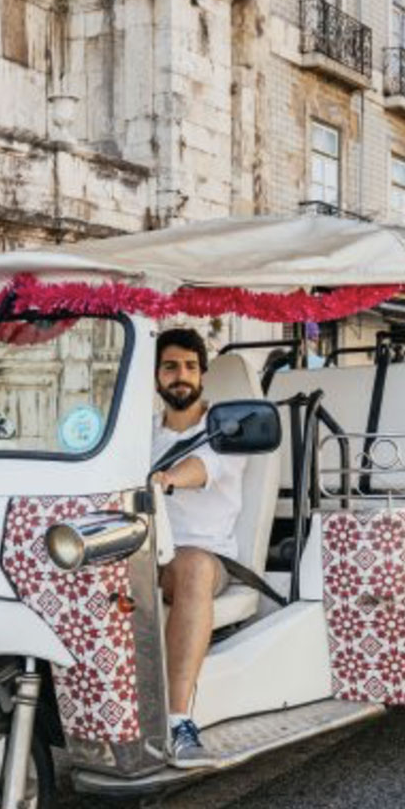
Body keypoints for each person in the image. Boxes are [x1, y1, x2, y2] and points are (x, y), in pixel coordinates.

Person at [148, 328, 246, 767]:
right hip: (144, 553)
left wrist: (167, 480)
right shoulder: (140, 434)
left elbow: (200, 468)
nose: (180, 376)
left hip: (207, 558)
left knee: (192, 567)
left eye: (190, 366)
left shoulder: (225, 430)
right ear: (155, 376)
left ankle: (177, 721)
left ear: (203, 374)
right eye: (170, 367)